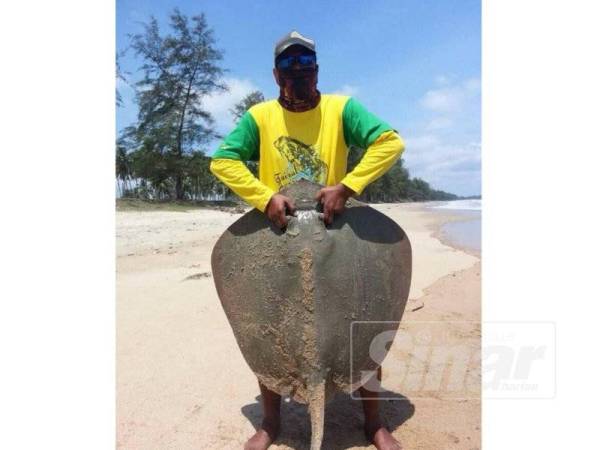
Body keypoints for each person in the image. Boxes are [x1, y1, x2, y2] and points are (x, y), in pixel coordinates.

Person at [210, 30, 405, 450]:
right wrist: (264, 198)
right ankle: (270, 422)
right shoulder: (260, 117)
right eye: (288, 65)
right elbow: (222, 161)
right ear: (276, 74)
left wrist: (347, 186)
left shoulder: (341, 110)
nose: (297, 72)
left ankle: (373, 421)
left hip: (333, 231)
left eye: (305, 64)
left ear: (317, 69)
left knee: (360, 315)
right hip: (276, 236)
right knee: (269, 321)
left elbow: (390, 143)